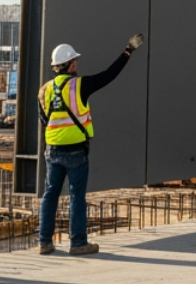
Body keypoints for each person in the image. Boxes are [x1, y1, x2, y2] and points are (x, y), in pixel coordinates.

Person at [38, 33, 144, 257]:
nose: (77, 63)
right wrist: (127, 51)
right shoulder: (80, 85)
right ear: (70, 64)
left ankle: (44, 242)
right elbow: (109, 75)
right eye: (75, 60)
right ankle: (78, 243)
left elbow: (44, 119)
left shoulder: (44, 90)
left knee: (50, 194)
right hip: (75, 150)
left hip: (52, 150)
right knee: (76, 196)